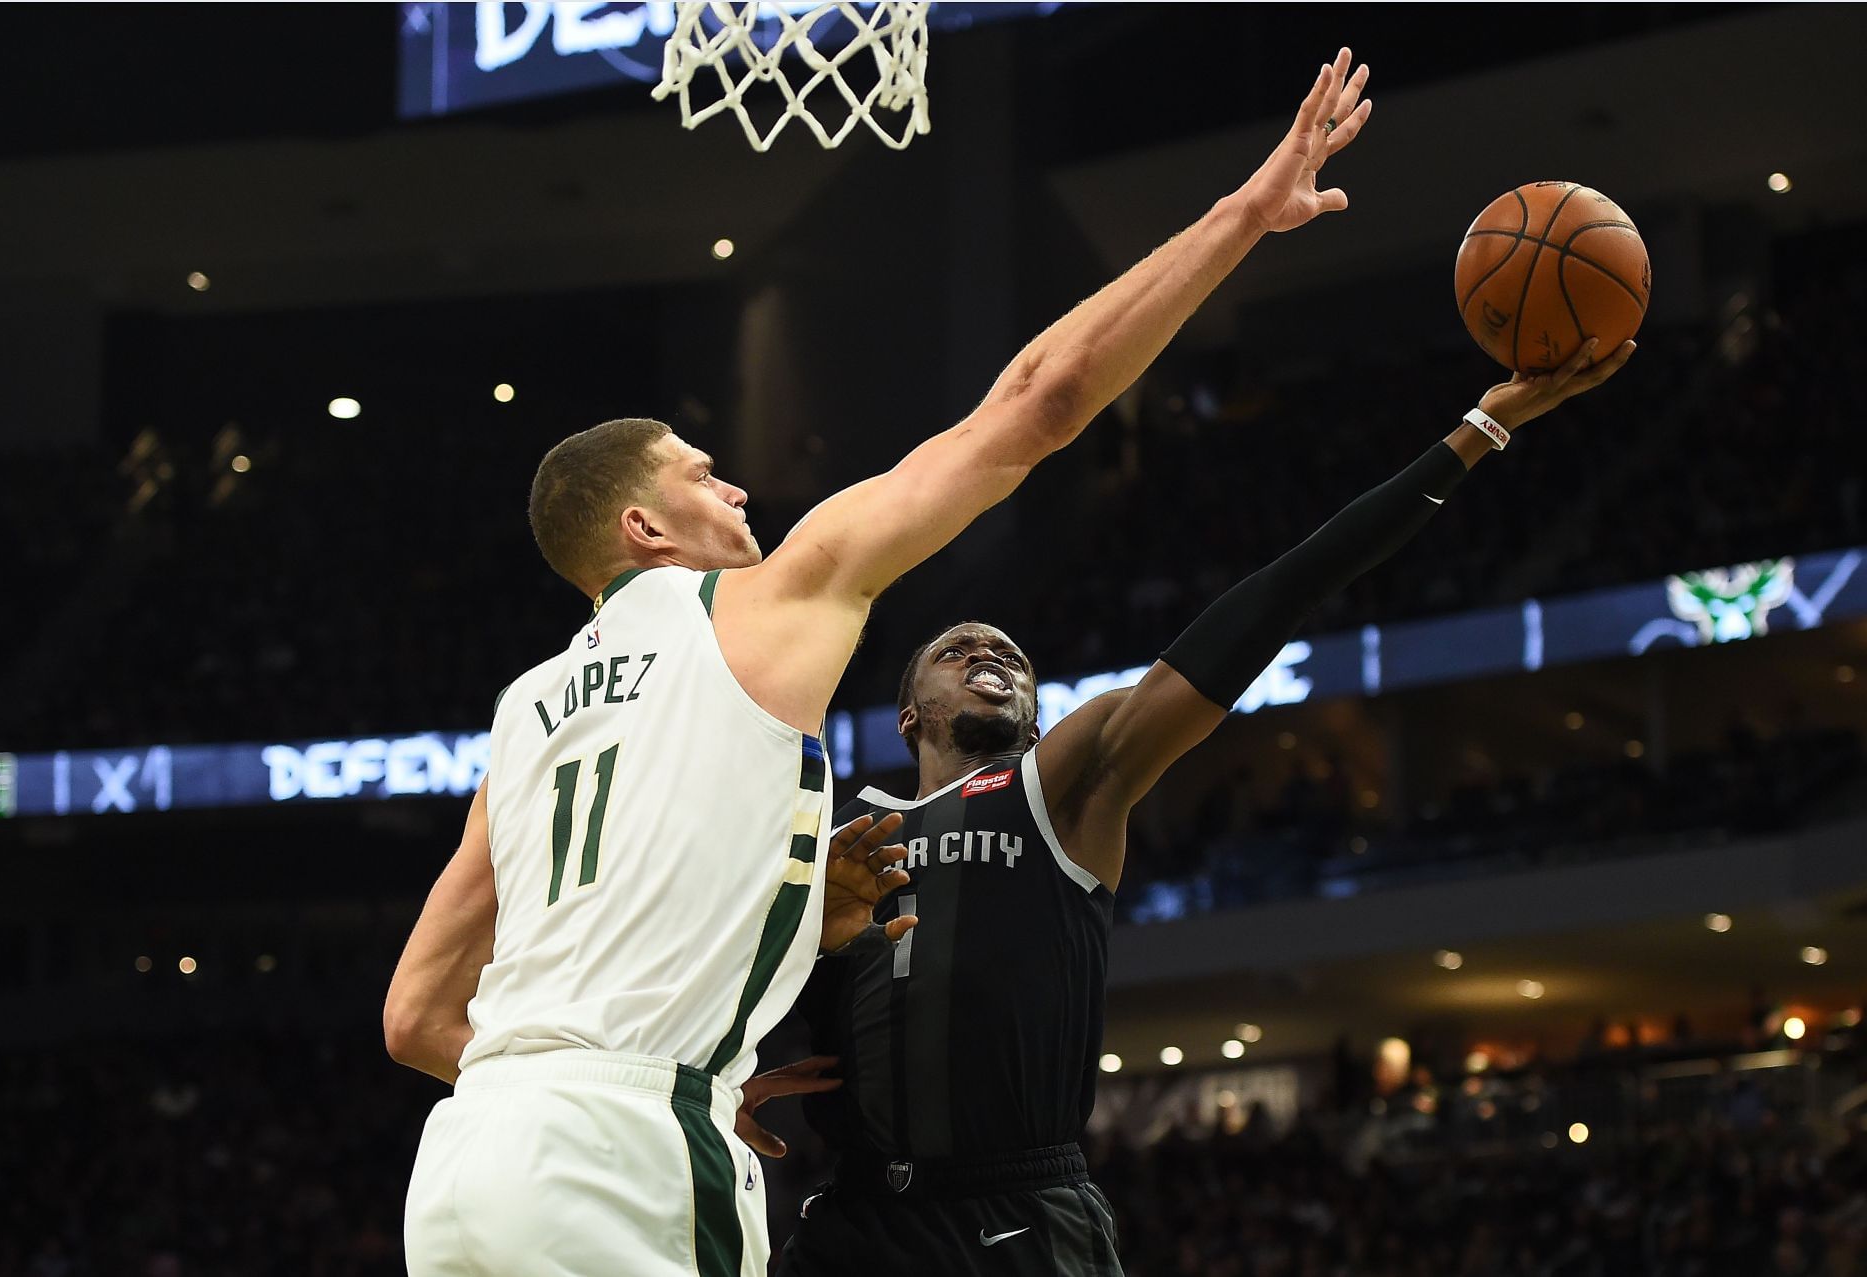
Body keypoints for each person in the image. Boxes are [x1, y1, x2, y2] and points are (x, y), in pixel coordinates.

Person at [383, 48, 1377, 1277]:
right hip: (622, 1155)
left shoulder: (525, 714)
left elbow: (417, 1017)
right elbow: (1039, 402)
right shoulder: (759, 603)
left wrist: (740, 953)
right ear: (642, 528)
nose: (735, 481)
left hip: (466, 1161)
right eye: (700, 471)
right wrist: (1244, 213)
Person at [777, 337, 1634, 1275]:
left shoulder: (1064, 780)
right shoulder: (832, 827)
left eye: (1013, 654)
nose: (993, 650)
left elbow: (1282, 592)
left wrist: (1480, 429)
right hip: (857, 1220)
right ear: (908, 714)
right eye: (958, 647)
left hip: (1015, 1210)